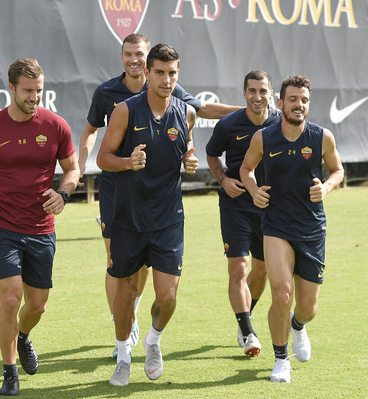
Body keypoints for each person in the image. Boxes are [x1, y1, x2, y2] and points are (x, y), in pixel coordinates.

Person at [78, 33, 241, 358]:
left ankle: (134, 311)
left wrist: (250, 109)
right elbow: (90, 132)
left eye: (139, 53)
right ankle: (120, 331)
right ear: (122, 56)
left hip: (158, 201)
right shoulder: (107, 93)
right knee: (115, 264)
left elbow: (201, 111)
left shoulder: (168, 89)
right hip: (117, 191)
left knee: (146, 267)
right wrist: (80, 165)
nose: (134, 59)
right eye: (129, 54)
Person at [0, 58, 80, 396]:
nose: (34, 97)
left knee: (37, 305)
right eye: (27, 91)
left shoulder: (56, 125)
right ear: (10, 88)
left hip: (42, 229)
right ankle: (10, 373)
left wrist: (64, 193)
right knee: (10, 297)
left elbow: (72, 170)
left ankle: (23, 336)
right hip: (4, 229)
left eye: (39, 91)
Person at [97, 43, 198, 387]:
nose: (166, 80)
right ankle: (123, 354)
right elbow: (102, 158)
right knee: (126, 295)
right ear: (147, 73)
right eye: (159, 72)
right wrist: (128, 162)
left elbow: (187, 148)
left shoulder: (186, 113)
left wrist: (190, 160)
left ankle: (153, 342)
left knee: (168, 297)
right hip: (128, 219)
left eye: (172, 74)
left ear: (177, 75)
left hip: (168, 218)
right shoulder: (125, 110)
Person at [240, 75, 344, 383]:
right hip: (276, 226)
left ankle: (298, 326)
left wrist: (326, 187)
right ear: (280, 102)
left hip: (312, 227)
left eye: (304, 100)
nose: (299, 105)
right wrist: (253, 189)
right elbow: (246, 169)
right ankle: (281, 359)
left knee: (308, 307)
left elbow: (338, 170)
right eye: (293, 99)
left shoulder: (322, 137)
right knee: (282, 293)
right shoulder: (263, 137)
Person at [206, 70, 281, 358]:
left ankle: (244, 316)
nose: (257, 97)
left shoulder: (281, 122)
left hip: (268, 208)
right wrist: (223, 179)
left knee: (261, 270)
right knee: (239, 268)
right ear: (244, 94)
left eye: (263, 91)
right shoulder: (228, 125)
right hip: (234, 205)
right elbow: (212, 155)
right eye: (252, 91)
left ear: (271, 94)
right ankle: (248, 331)